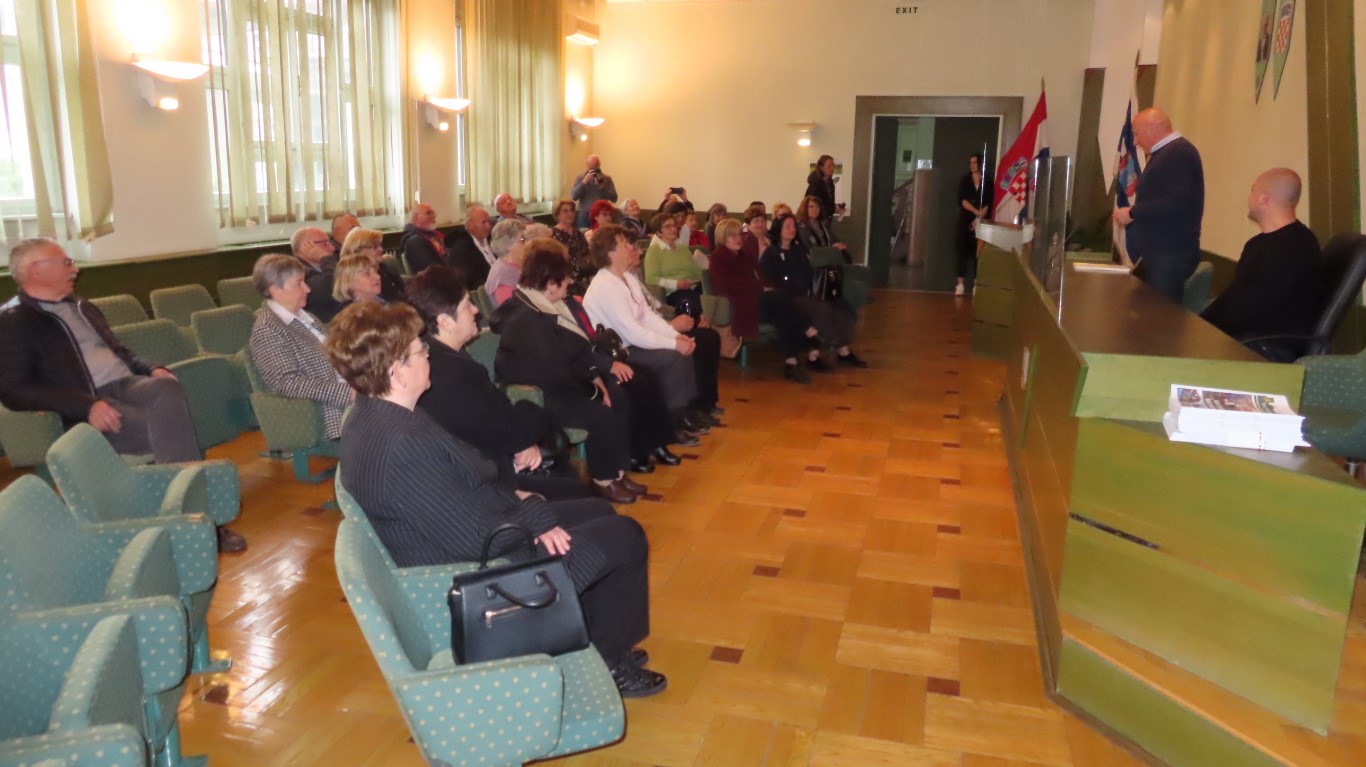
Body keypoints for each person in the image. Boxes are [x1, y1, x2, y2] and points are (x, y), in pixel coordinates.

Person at [328, 301, 665, 697]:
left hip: (482, 531)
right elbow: (473, 537)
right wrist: (534, 515)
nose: (428, 356)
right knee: (625, 535)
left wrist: (516, 494)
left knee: (598, 508)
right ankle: (609, 662)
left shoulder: (379, 414)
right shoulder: (401, 444)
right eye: (421, 351)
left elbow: (457, 489)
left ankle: (598, 638)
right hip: (482, 573)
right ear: (397, 371)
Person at [0, 239, 245, 552]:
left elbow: (121, 352)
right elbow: (13, 390)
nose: (75, 269)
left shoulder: (81, 306)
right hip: (88, 402)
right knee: (171, 429)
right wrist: (86, 405)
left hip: (127, 384)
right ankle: (202, 521)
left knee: (167, 387)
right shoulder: (14, 321)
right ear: (36, 270)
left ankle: (184, 521)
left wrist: (151, 368)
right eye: (66, 263)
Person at [404, 265, 593, 500]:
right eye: (467, 305)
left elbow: (493, 415)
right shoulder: (447, 371)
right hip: (491, 483)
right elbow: (489, 430)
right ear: (444, 322)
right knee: (586, 499)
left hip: (498, 459)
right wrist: (524, 438)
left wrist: (522, 435)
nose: (476, 310)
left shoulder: (444, 357)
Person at [491, 239, 645, 504]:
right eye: (564, 280)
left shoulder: (552, 305)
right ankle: (603, 480)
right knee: (600, 414)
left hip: (564, 383)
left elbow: (581, 349)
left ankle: (617, 472)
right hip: (537, 395)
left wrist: (597, 379)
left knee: (618, 396)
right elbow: (552, 371)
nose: (569, 284)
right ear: (549, 284)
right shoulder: (526, 318)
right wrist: (594, 392)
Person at [584, 225, 719, 435]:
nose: (630, 247)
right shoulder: (605, 285)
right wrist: (674, 344)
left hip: (633, 343)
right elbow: (632, 332)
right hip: (620, 352)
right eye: (624, 244)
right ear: (611, 253)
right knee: (672, 358)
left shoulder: (627, 278)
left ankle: (685, 412)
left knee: (683, 350)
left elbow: (648, 316)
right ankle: (672, 422)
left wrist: (677, 336)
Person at [1201, 168, 1323, 343]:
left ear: (1263, 198)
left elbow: (1254, 311)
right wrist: (1198, 324)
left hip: (1263, 345)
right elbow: (1233, 297)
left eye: (1253, 190)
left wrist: (1208, 334)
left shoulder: (1295, 247)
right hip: (1243, 336)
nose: (1249, 197)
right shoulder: (1258, 244)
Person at [247, 254, 355, 443]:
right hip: (330, 410)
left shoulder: (306, 317)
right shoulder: (268, 329)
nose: (307, 289)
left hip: (353, 391)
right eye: (299, 283)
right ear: (276, 290)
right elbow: (287, 382)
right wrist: (348, 392)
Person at [709, 219, 827, 384]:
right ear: (723, 238)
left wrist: (765, 286)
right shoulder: (718, 257)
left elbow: (762, 277)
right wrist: (759, 287)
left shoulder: (745, 256)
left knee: (783, 315)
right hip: (740, 306)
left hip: (758, 301)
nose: (738, 239)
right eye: (732, 236)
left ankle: (791, 363)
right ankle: (810, 332)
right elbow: (724, 285)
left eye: (739, 235)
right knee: (782, 297)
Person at [1113, 108, 1205, 303]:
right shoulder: (1167, 153)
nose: (1135, 141)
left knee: (1160, 316)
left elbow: (1178, 201)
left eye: (1137, 134)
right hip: (1161, 256)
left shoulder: (1178, 152)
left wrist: (1133, 212)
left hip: (1169, 256)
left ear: (1153, 129)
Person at [761, 214, 867, 368]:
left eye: (793, 226)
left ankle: (843, 351)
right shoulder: (771, 254)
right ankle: (814, 356)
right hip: (790, 298)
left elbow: (809, 274)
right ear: (779, 230)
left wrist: (819, 288)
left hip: (808, 292)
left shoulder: (797, 250)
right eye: (788, 226)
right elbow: (774, 283)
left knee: (841, 304)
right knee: (820, 309)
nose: (792, 229)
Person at [954, 154, 993, 296]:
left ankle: (977, 284)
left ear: (980, 164)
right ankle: (960, 285)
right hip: (965, 220)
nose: (972, 165)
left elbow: (988, 202)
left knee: (979, 253)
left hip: (981, 221)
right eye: (970, 163)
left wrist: (979, 217)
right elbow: (963, 201)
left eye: (975, 162)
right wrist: (975, 212)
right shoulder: (965, 180)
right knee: (962, 252)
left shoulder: (988, 181)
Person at [335, 227, 405, 303]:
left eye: (380, 245)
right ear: (356, 251)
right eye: (374, 247)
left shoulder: (385, 268)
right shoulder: (350, 276)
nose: (380, 249)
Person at [291, 225, 339, 319]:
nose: (332, 248)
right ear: (305, 247)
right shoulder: (298, 272)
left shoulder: (325, 265)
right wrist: (326, 258)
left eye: (330, 242)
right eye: (325, 243)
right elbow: (335, 286)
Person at [485, 219, 534, 307]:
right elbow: (514, 312)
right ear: (507, 244)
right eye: (522, 240)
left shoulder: (518, 265)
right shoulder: (502, 277)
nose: (528, 244)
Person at [447, 204, 496, 290]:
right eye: (484, 222)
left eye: (489, 221)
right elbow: (470, 282)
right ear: (470, 225)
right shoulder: (462, 250)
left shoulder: (492, 240)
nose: (488, 226)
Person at [328, 255, 387, 319]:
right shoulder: (348, 315)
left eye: (375, 271)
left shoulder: (383, 301)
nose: (378, 277)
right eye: (367, 274)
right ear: (348, 281)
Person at [550, 198, 593, 287]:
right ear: (557, 214)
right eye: (565, 211)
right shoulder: (553, 234)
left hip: (584, 274)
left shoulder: (578, 233)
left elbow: (587, 253)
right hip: (565, 278)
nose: (569, 213)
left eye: (571, 210)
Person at [570, 155, 618, 229]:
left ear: (599, 165)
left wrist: (602, 187)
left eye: (595, 167)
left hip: (602, 215)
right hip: (585, 214)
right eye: (591, 168)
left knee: (602, 233)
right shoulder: (580, 178)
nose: (593, 170)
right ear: (587, 165)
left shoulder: (607, 178)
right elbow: (574, 196)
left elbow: (614, 198)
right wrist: (584, 182)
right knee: (583, 233)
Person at [401, 203, 448, 274]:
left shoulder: (433, 234)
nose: (433, 216)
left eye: (433, 213)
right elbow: (429, 269)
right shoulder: (414, 241)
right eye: (429, 213)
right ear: (416, 217)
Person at [804, 155, 843, 221]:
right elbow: (812, 205)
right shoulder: (815, 183)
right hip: (815, 220)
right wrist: (834, 209)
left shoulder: (830, 183)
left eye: (833, 165)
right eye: (829, 166)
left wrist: (836, 206)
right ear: (821, 167)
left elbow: (826, 202)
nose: (832, 168)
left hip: (826, 219)